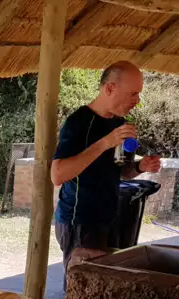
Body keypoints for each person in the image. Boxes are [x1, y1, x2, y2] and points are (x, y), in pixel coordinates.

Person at [51, 61, 161, 287]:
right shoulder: (79, 123)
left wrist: (141, 167)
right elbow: (58, 175)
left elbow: (120, 171)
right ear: (110, 88)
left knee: (103, 290)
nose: (137, 100)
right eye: (133, 93)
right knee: (81, 294)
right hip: (80, 220)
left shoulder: (119, 123)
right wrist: (105, 142)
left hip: (108, 219)